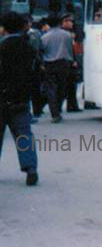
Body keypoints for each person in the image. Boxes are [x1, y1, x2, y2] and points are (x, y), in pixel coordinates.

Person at [0, 12, 40, 185]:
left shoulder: (1, 47)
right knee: (24, 135)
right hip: (21, 99)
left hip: (2, 97)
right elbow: (35, 73)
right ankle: (30, 168)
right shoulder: (29, 47)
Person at [41, 14, 75, 123]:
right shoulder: (67, 35)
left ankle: (54, 113)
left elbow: (42, 51)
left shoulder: (44, 37)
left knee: (51, 89)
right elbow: (70, 49)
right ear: (60, 23)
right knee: (62, 88)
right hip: (64, 63)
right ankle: (58, 108)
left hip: (49, 64)